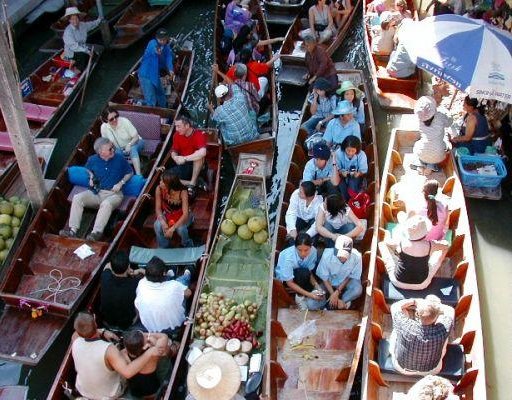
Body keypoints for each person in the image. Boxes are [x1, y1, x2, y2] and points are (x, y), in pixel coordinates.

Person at [71, 312, 163, 399]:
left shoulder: (75, 339)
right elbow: (127, 373)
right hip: (109, 394)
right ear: (95, 322)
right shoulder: (109, 349)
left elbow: (81, 332)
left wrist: (103, 332)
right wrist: (149, 353)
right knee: (124, 356)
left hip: (83, 390)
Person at [59, 137, 133, 241]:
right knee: (77, 198)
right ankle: (72, 231)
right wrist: (91, 177)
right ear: (101, 152)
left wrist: (121, 183)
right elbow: (88, 170)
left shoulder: (119, 159)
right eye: (110, 149)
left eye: (113, 147)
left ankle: (95, 233)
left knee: (106, 204)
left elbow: (130, 172)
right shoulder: (92, 160)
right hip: (96, 192)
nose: (113, 150)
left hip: (114, 195)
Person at [379, 215, 449, 290]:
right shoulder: (430, 245)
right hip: (422, 284)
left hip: (397, 282)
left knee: (382, 244)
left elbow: (387, 243)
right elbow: (445, 246)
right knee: (445, 247)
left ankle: (396, 257)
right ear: (425, 233)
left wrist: (395, 249)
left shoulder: (401, 242)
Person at [390, 296, 454, 375]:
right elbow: (450, 310)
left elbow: (395, 306)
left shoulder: (406, 325)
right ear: (437, 315)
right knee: (445, 337)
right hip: (431, 371)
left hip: (402, 368)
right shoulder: (442, 330)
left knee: (397, 327)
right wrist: (435, 306)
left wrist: (414, 301)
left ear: (417, 314)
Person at [134, 256, 192, 335]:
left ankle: (171, 274)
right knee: (182, 281)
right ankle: (188, 271)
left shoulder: (141, 284)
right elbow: (188, 293)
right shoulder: (174, 285)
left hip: (152, 328)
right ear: (163, 273)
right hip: (176, 327)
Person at [275, 233, 326, 310]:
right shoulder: (288, 258)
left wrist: (317, 286)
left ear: (311, 246)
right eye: (299, 250)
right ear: (295, 247)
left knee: (313, 272)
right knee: (303, 273)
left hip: (302, 273)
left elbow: (309, 271)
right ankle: (299, 297)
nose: (303, 253)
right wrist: (310, 295)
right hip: (286, 279)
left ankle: (309, 293)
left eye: (306, 250)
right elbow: (289, 283)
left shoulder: (313, 252)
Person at [122, 330, 176, 399]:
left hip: (136, 393)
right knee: (164, 356)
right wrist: (148, 335)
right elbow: (164, 336)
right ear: (144, 346)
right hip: (153, 392)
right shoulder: (153, 353)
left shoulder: (122, 356)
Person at [100, 251, 144, 330]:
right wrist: (139, 270)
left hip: (108, 321)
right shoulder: (136, 284)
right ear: (128, 266)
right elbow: (149, 277)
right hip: (129, 322)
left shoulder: (105, 276)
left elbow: (107, 265)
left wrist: (126, 269)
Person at [316, 235, 363, 309]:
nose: (343, 257)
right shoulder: (326, 256)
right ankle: (335, 303)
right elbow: (324, 278)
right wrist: (333, 294)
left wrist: (337, 292)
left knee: (357, 289)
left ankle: (342, 301)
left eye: (346, 254)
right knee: (311, 304)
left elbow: (351, 276)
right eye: (341, 254)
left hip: (345, 282)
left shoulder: (357, 256)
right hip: (329, 282)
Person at [154, 169, 194, 248]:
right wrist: (163, 222)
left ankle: (187, 244)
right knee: (157, 225)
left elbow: (185, 214)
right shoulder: (159, 189)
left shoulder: (183, 192)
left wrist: (172, 229)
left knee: (181, 229)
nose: (160, 183)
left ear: (170, 184)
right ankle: (164, 246)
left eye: (162, 182)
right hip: (168, 214)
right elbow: (158, 209)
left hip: (183, 216)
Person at [411, 96, 451, 175]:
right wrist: (448, 114)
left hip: (422, 153)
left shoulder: (419, 119)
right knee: (443, 145)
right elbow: (449, 123)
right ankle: (430, 167)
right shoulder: (440, 116)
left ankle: (420, 165)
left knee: (417, 145)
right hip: (439, 156)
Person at [100, 107, 145, 175]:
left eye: (116, 116)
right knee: (117, 154)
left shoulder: (124, 121)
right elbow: (106, 143)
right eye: (111, 119)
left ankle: (138, 175)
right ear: (106, 120)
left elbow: (136, 137)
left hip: (135, 142)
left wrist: (129, 144)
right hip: (118, 148)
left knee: (133, 149)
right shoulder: (104, 127)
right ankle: (124, 174)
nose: (115, 120)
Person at [170, 115, 207, 192]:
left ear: (187, 125)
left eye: (178, 126)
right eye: (176, 126)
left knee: (198, 156)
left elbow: (203, 152)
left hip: (195, 164)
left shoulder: (198, 135)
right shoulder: (176, 135)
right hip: (183, 164)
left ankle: (193, 182)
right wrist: (175, 158)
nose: (176, 129)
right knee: (164, 178)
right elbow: (174, 150)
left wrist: (185, 158)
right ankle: (194, 183)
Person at [138, 29, 174, 108]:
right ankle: (152, 112)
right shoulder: (152, 43)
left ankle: (164, 108)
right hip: (146, 75)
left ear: (167, 38)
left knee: (160, 93)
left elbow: (168, 58)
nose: (162, 41)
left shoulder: (167, 47)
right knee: (151, 99)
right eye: (160, 39)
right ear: (156, 38)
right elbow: (153, 49)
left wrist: (171, 70)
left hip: (155, 74)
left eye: (164, 39)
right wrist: (157, 51)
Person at [62, 7, 101, 73]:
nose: (75, 21)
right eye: (72, 19)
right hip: (72, 52)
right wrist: (87, 51)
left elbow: (91, 25)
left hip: (82, 48)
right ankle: (76, 71)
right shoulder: (68, 32)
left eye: (76, 18)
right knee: (83, 56)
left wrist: (99, 20)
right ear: (69, 20)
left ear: (79, 18)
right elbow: (74, 46)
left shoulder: (82, 25)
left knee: (94, 56)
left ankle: (81, 65)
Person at [332, 135, 368, 200]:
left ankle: (352, 200)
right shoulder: (338, 153)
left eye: (353, 151)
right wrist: (341, 172)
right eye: (348, 150)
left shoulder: (361, 155)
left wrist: (358, 173)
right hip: (342, 175)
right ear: (344, 147)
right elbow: (336, 169)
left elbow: (364, 170)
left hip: (355, 176)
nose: (350, 153)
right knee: (341, 185)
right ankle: (345, 200)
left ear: (357, 149)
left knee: (352, 183)